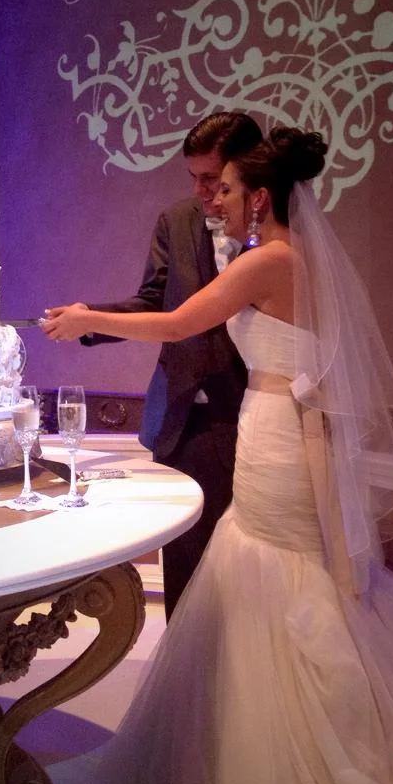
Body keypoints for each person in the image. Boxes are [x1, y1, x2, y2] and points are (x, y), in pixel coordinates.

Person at [42, 128, 393, 784]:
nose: (216, 203)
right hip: (272, 429)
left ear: (259, 196)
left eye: (226, 190)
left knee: (274, 572)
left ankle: (291, 764)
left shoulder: (269, 259)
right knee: (270, 572)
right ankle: (266, 746)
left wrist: (86, 319)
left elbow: (177, 324)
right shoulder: (285, 258)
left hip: (273, 434)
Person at [51, 111, 263, 620]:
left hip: (256, 412)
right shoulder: (177, 221)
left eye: (212, 179)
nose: (202, 192)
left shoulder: (280, 231)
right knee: (187, 564)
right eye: (193, 178)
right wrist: (89, 321)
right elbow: (156, 304)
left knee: (253, 571)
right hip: (187, 417)